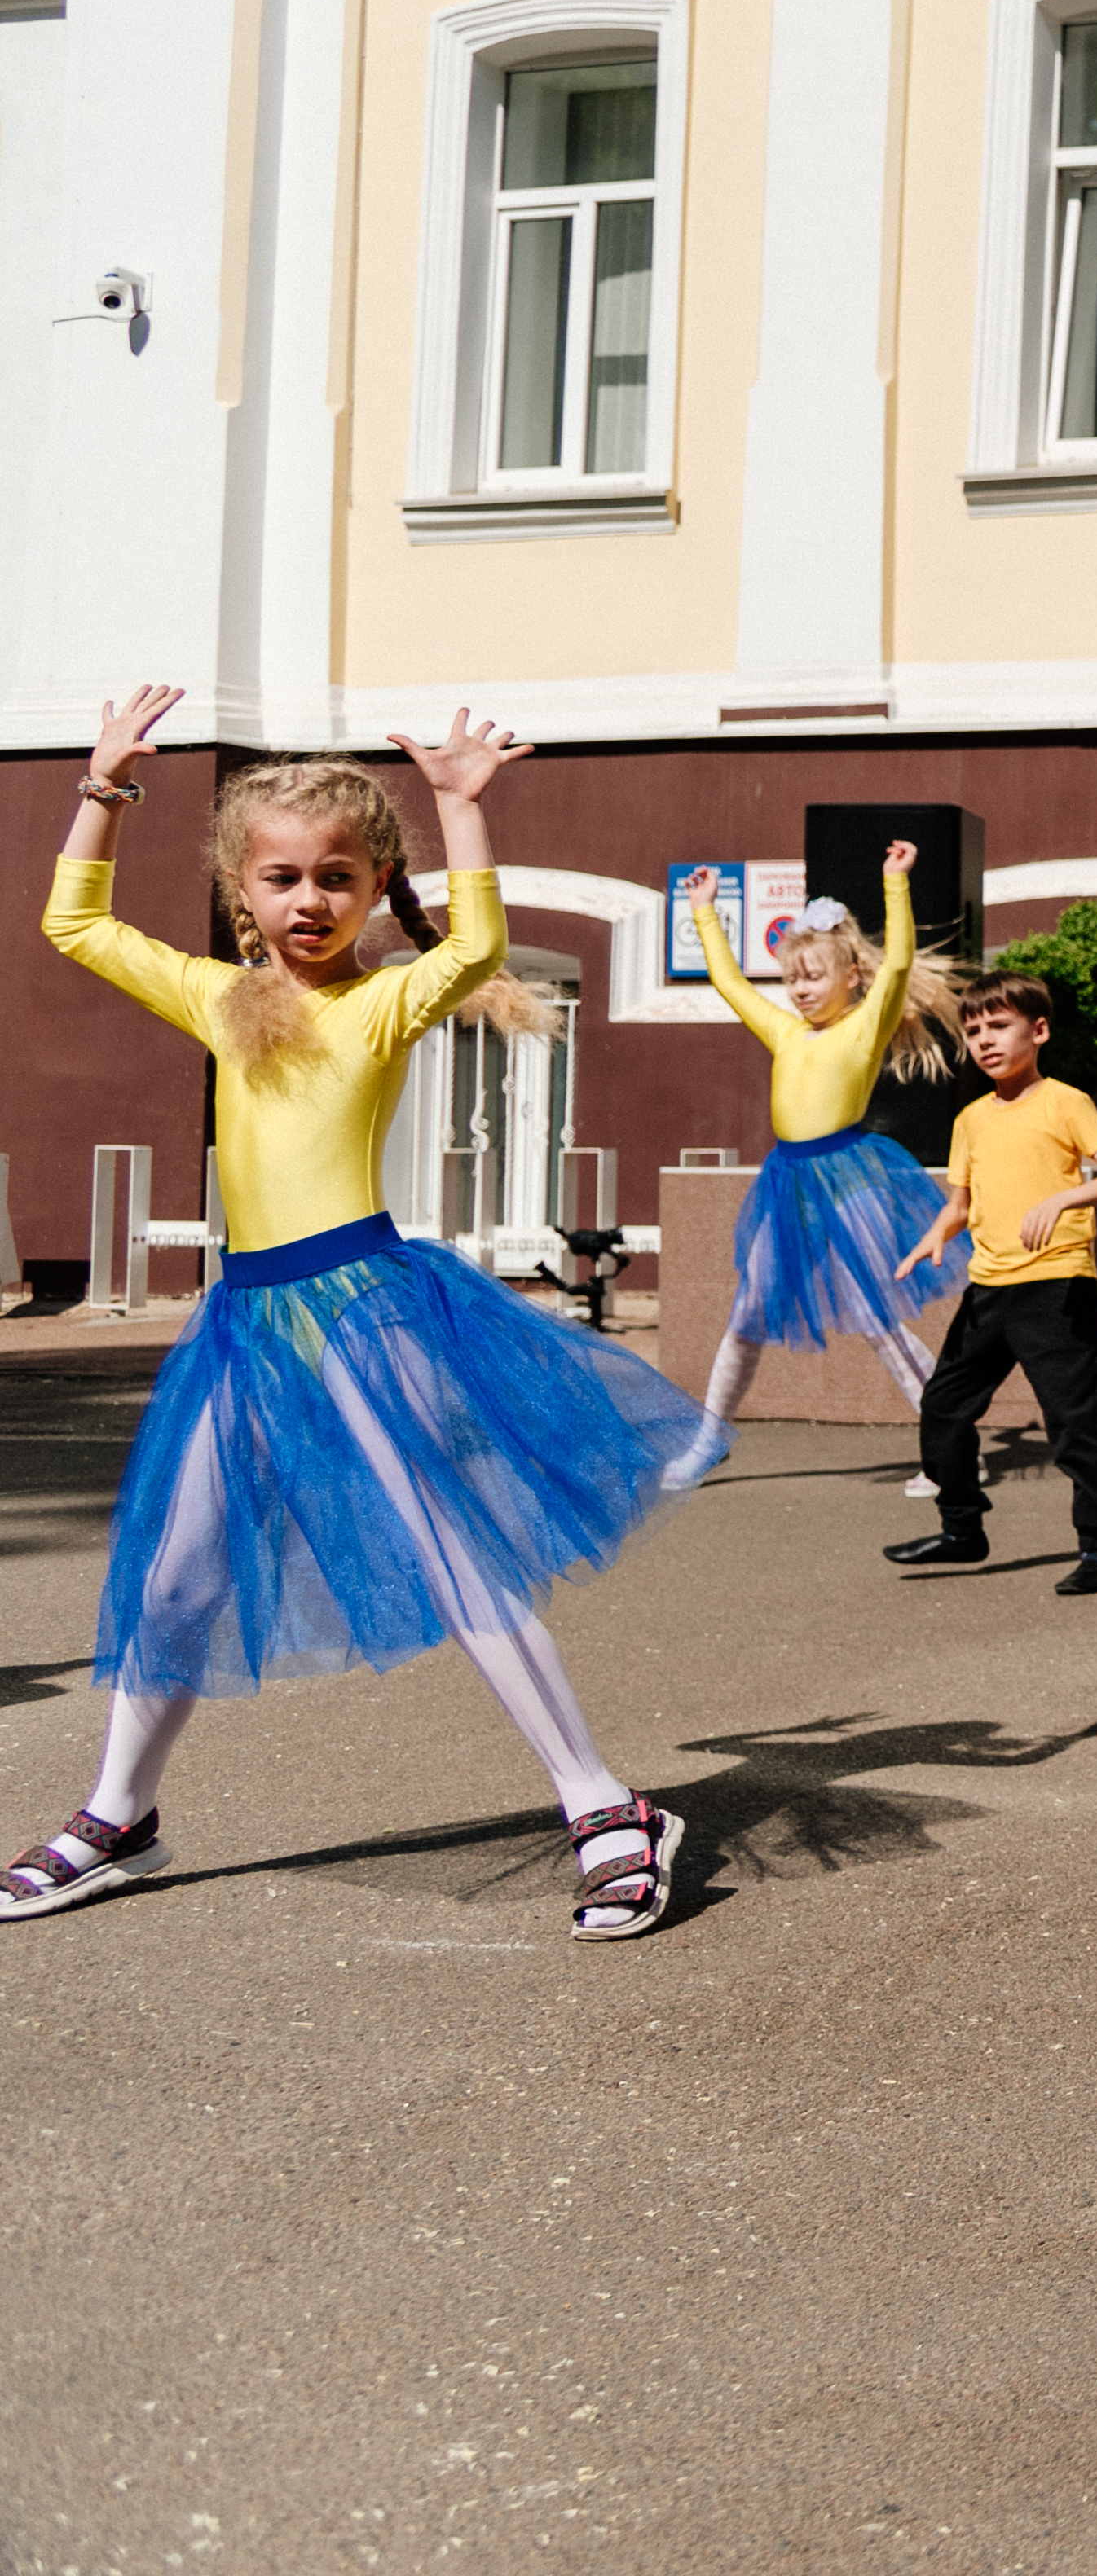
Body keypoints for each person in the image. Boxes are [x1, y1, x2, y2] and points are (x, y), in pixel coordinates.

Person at [9, 693, 703, 1940]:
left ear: (377, 886)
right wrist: (101, 791)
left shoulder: (377, 1004)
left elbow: (476, 950)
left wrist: (460, 804)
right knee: (174, 1579)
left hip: (367, 1311)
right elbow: (72, 923)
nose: (311, 900)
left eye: (338, 877)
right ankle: (122, 1816)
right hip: (248, 1325)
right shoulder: (217, 1001)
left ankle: (607, 1807)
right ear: (239, 889)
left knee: (449, 1551)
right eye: (283, 878)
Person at [663, 851, 971, 1489]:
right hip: (788, 1181)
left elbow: (902, 964)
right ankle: (708, 1439)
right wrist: (703, 912)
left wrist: (894, 884)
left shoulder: (863, 1028)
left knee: (876, 1318)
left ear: (853, 976)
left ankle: (948, 1450)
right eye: (792, 979)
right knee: (746, 1315)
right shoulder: (785, 1032)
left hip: (849, 1176)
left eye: (813, 977)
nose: (800, 990)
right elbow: (730, 985)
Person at [890, 976, 1097, 1594]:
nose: (984, 1040)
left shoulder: (1065, 1101)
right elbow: (962, 1201)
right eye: (973, 1031)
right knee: (944, 1408)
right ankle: (962, 1530)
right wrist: (937, 1233)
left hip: (1056, 1285)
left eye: (997, 1026)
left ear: (1039, 1030)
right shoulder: (972, 1117)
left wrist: (1062, 1199)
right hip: (989, 1289)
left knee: (1075, 1424)